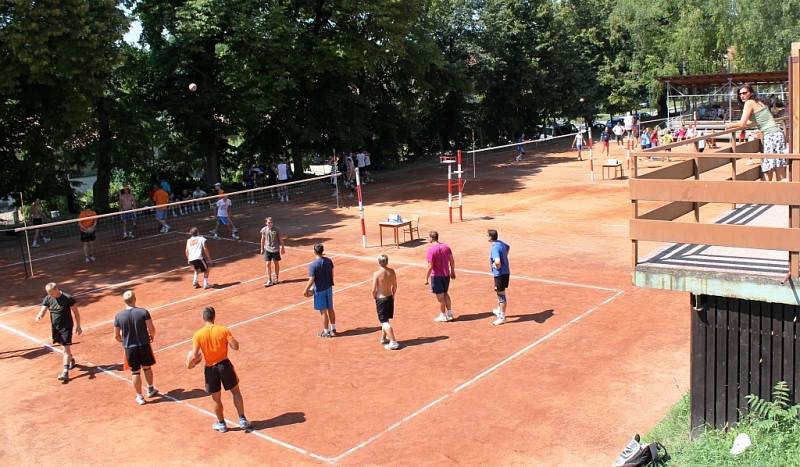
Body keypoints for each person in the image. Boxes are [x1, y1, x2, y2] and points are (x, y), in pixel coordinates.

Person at [187, 306, 251, 433]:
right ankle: (242, 419)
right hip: (225, 365)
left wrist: (190, 364)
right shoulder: (223, 330)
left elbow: (194, 356)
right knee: (236, 392)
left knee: (216, 398)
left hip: (210, 369)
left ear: (203, 318)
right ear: (214, 317)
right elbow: (235, 347)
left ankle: (221, 424)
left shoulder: (198, 335)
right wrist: (230, 340)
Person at [727, 84, 787, 181]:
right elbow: (752, 122)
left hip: (770, 136)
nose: (742, 95)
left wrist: (729, 125)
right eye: (740, 94)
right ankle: (783, 191)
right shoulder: (758, 102)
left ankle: (768, 191)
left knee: (769, 167)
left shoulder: (749, 103)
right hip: (777, 135)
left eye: (744, 93)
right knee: (777, 164)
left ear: (750, 93)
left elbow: (742, 123)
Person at [114, 290, 158, 405]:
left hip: (130, 347)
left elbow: (116, 335)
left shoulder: (118, 316)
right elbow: (151, 329)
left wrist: (123, 341)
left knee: (135, 372)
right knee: (147, 368)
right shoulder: (143, 312)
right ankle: (150, 389)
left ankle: (139, 396)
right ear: (134, 299)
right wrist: (151, 336)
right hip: (144, 345)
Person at [36, 283, 82, 382]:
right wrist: (40, 315)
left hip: (66, 327)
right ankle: (71, 359)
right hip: (55, 327)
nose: (50, 295)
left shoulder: (68, 298)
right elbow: (43, 309)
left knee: (66, 349)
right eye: (48, 293)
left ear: (57, 289)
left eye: (51, 293)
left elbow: (76, 312)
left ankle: (65, 372)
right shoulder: (48, 298)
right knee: (64, 347)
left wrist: (78, 325)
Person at [303, 243, 337, 337]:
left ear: (314, 252)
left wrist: (305, 290)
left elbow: (311, 279)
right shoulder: (329, 261)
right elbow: (332, 273)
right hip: (329, 288)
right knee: (330, 308)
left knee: (323, 311)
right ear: (322, 250)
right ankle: (333, 328)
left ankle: (326, 332)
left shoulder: (313, 265)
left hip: (319, 290)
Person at [425, 230, 456, 322]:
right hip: (446, 275)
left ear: (431, 238)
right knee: (445, 293)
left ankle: (443, 315)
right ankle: (450, 313)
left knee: (440, 297)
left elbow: (430, 266)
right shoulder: (446, 247)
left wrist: (425, 278)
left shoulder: (431, 250)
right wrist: (453, 271)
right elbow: (452, 261)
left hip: (436, 276)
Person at [372, 254, 399, 350]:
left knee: (384, 322)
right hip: (389, 297)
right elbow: (395, 286)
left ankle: (393, 342)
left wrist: (374, 297)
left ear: (379, 262)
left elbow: (373, 290)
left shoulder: (377, 274)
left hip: (381, 299)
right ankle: (383, 338)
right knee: (386, 319)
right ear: (387, 262)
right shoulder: (392, 271)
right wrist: (393, 295)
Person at [487, 229, 511, 326]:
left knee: (501, 295)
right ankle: (499, 310)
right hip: (506, 272)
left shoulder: (495, 248)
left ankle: (502, 317)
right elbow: (508, 247)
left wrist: (496, 266)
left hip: (500, 274)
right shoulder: (500, 243)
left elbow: (497, 261)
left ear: (490, 237)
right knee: (500, 292)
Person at [260, 217, 285, 286]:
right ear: (266, 223)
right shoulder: (264, 230)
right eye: (269, 222)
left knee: (276, 263)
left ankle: (276, 278)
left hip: (275, 249)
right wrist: (262, 248)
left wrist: (282, 247)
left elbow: (280, 238)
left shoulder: (277, 229)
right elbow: (262, 239)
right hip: (267, 249)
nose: (270, 224)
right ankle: (269, 280)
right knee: (267, 264)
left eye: (271, 222)